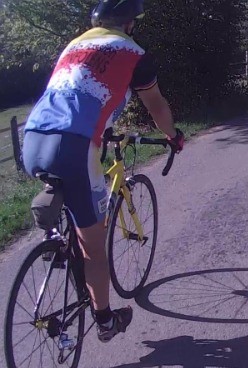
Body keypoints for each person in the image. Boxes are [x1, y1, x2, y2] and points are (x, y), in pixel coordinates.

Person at [21, 0, 184, 342]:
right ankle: (105, 321)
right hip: (73, 146)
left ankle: (58, 244)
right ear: (129, 24)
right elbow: (155, 104)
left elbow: (76, 96)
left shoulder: (75, 46)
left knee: (70, 205)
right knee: (94, 248)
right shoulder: (133, 53)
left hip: (33, 138)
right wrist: (173, 136)